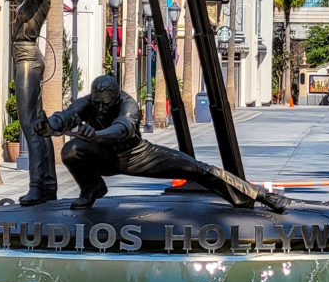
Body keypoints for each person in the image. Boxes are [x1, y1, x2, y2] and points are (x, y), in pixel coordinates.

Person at [37, 75, 287, 212]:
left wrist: (97, 135)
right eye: (97, 103)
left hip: (138, 155)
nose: (100, 108)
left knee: (197, 169)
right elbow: (65, 116)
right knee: (71, 150)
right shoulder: (87, 102)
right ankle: (92, 189)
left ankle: (260, 196)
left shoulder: (128, 103)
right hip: (104, 157)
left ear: (116, 97)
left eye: (106, 104)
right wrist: (50, 126)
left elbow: (123, 129)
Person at [2, 0, 58, 206]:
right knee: (38, 123)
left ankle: (37, 185)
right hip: (26, 56)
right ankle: (48, 184)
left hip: (27, 57)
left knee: (28, 123)